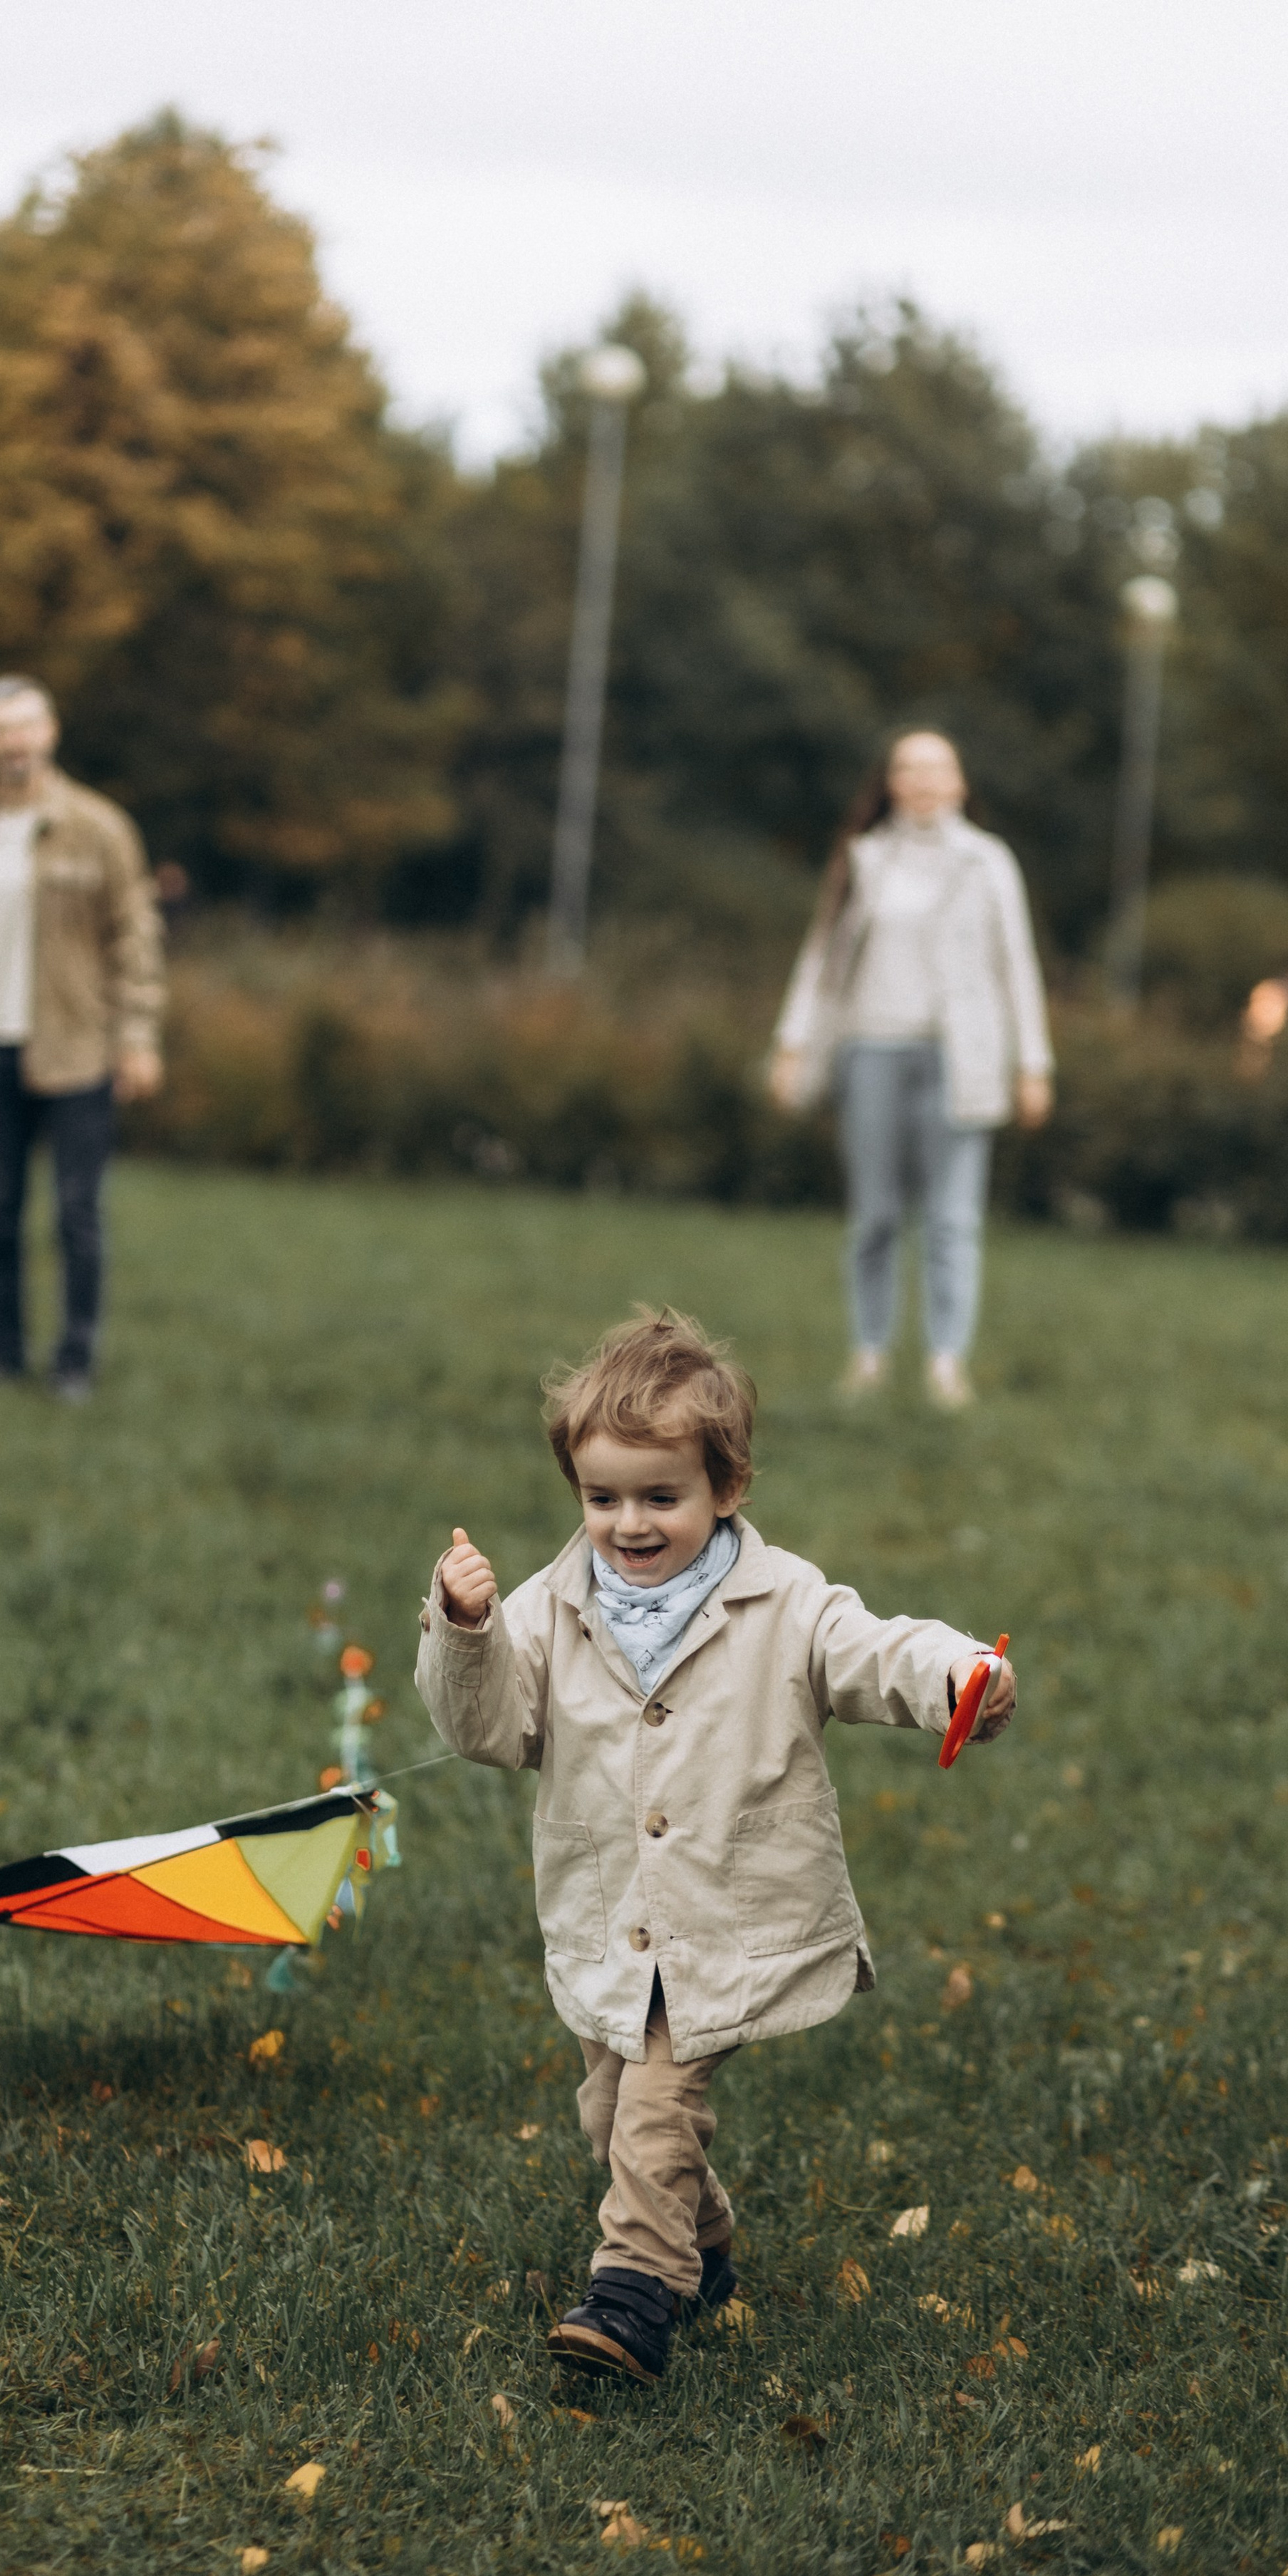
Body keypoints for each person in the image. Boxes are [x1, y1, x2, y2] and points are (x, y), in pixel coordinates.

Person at [415, 1308, 1015, 2389]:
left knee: (655, 2105)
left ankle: (633, 2294)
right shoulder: (548, 1609)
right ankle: (705, 2250)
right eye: (603, 1498)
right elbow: (487, 1730)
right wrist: (467, 1634)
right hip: (612, 1918)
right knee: (610, 2111)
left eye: (661, 1497)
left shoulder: (783, 1602)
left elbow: (873, 1648)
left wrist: (958, 1673)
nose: (629, 1524)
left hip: (725, 1915)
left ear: (726, 1486)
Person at [768, 728, 1054, 1410]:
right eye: (909, 768)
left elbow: (1016, 964)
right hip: (872, 1050)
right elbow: (822, 958)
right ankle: (868, 1355)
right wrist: (792, 1043)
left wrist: (1033, 1063)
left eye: (937, 768)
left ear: (960, 783)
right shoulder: (863, 859)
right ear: (890, 783)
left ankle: (946, 1363)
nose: (924, 781)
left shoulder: (988, 862)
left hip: (960, 1059)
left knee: (953, 1219)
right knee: (874, 1216)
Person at [0, 677, 165, 1398]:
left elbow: (135, 939)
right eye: (0, 730)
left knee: (77, 1215)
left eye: (25, 726)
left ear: (51, 731)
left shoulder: (99, 828)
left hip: (77, 1048)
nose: (14, 743)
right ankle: (2, 1358)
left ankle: (74, 1362)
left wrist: (138, 1036)